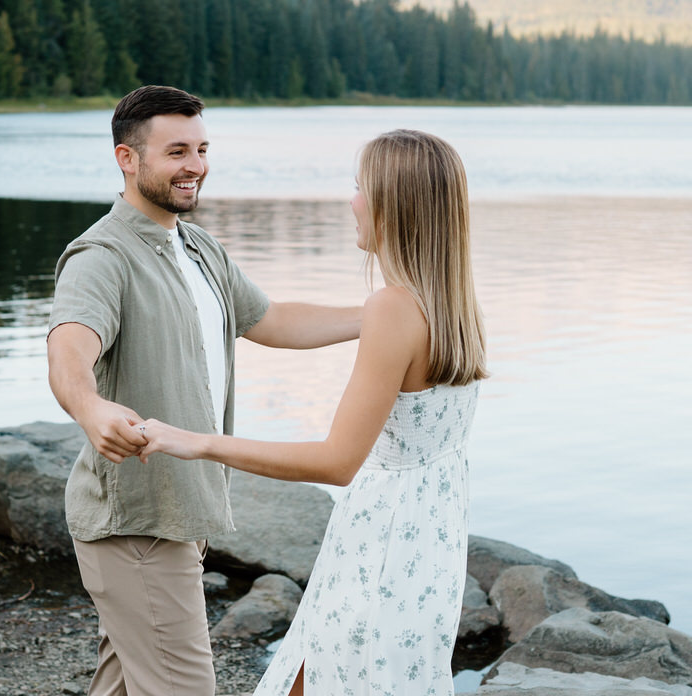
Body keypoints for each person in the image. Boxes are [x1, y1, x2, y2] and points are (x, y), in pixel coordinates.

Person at [139, 128, 487, 696]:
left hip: (379, 551)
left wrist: (198, 441)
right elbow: (287, 321)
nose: (351, 201)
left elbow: (335, 462)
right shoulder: (454, 308)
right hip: (430, 551)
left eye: (359, 186)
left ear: (393, 203)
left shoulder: (394, 310)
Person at [46, 85, 362, 696]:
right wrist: (90, 409)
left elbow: (271, 320)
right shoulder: (101, 257)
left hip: (180, 515)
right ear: (127, 159)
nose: (196, 166)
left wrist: (380, 315)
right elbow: (68, 350)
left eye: (202, 149)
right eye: (177, 152)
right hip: (138, 525)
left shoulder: (197, 245)